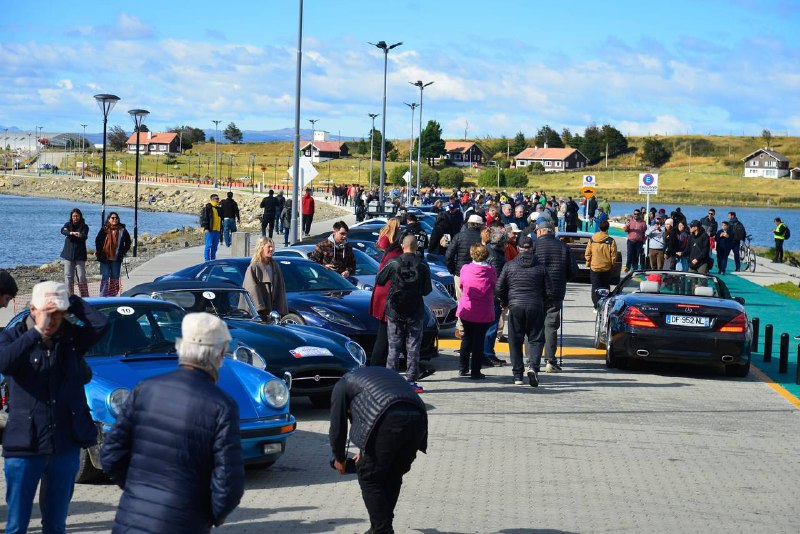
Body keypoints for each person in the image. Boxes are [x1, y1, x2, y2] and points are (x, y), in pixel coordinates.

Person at [101, 312, 245, 533]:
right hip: (184, 522)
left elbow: (111, 453)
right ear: (220, 353)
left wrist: (136, 489)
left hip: (131, 518)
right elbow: (228, 481)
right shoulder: (221, 405)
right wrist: (209, 516)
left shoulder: (145, 389)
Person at [0, 281, 108, 534]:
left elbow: (101, 325)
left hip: (65, 443)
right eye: (47, 313)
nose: (53, 320)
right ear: (32, 309)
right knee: (16, 525)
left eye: (59, 314)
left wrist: (73, 301)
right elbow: (4, 363)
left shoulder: (71, 339)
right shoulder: (12, 337)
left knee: (56, 525)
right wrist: (37, 332)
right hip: (24, 444)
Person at [329, 366, 427, 534]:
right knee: (393, 473)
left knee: (369, 476)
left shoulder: (342, 385)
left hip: (388, 418)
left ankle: (382, 529)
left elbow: (338, 427)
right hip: (418, 417)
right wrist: (364, 452)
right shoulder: (376, 375)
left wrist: (339, 458)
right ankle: (379, 527)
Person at [375, 235, 432, 393]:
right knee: (413, 347)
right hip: (415, 311)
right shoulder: (422, 265)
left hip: (395, 311)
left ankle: (392, 382)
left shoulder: (393, 262)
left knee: (394, 347)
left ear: (402, 245)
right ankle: (411, 381)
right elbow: (427, 290)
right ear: (416, 247)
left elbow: (379, 280)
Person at [496, 235, 547, 386]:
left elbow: (499, 287)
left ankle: (518, 375)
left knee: (515, 340)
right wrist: (543, 302)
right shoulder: (541, 267)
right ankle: (533, 367)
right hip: (535, 305)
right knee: (536, 339)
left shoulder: (509, 265)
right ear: (532, 248)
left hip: (516, 305)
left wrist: (506, 301)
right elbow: (549, 289)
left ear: (518, 249)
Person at [529, 218, 576, 373]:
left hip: (535, 291)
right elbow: (573, 271)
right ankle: (550, 361)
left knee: (534, 325)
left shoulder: (534, 246)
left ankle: (531, 360)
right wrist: (563, 279)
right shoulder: (563, 247)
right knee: (551, 326)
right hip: (556, 291)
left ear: (541, 231)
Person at [457, 244, 497, 379]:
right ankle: (475, 371)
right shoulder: (491, 270)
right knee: (479, 341)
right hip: (484, 310)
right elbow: (494, 285)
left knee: (467, 338)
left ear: (472, 254)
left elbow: (462, 284)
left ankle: (463, 367)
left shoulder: (465, 268)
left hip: (468, 308)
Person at [369, 221, 404, 367]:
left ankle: (377, 365)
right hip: (389, 299)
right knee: (387, 336)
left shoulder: (390, 254)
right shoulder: (397, 256)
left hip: (383, 297)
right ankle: (377, 366)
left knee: (384, 334)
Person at [445, 214, 484, 338]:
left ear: (468, 224)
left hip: (460, 273)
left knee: (462, 301)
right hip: (478, 273)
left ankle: (461, 328)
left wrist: (453, 270)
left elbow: (448, 255)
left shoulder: (459, 236)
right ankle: (475, 327)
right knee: (478, 301)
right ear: (480, 225)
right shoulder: (482, 238)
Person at [243, 238, 289, 322]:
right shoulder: (254, 267)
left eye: (272, 247)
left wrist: (281, 310)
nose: (271, 249)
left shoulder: (275, 266)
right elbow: (251, 290)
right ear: (261, 248)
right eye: (269, 247)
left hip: (274, 314)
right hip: (257, 316)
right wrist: (262, 310)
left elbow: (281, 290)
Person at [482, 227, 507, 366]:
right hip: (492, 297)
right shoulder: (497, 257)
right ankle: (488, 354)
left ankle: (485, 353)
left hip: (484, 294)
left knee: (486, 327)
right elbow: (498, 281)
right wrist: (501, 298)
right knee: (491, 327)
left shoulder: (487, 250)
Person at [95, 212, 132, 297]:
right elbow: (98, 241)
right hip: (105, 257)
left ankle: (113, 295)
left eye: (116, 218)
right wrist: (99, 252)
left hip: (116, 258)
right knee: (105, 276)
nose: (115, 219)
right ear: (109, 219)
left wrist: (123, 251)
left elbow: (128, 242)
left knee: (115, 277)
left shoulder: (122, 230)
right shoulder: (104, 229)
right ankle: (103, 296)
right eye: (112, 218)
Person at [585, 219, 618, 308]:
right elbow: (613, 255)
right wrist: (612, 264)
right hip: (606, 267)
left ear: (599, 228)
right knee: (605, 286)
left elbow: (588, 253)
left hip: (595, 267)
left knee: (595, 286)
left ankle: (596, 304)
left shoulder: (592, 239)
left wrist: (588, 263)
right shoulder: (611, 241)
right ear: (608, 228)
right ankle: (604, 304)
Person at [60, 208, 90, 297]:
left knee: (81, 276)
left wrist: (80, 235)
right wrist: (71, 233)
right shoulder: (68, 225)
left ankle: (85, 297)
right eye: (74, 216)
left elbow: (84, 236)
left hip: (80, 255)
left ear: (80, 216)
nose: (75, 218)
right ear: (71, 217)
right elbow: (63, 231)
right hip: (68, 255)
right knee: (68, 276)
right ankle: (70, 296)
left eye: (77, 216)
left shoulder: (85, 226)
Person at [200, 193, 222, 261]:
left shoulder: (218, 209)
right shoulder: (208, 207)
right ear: (212, 199)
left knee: (214, 247)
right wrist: (206, 228)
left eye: (218, 199)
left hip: (217, 230)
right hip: (210, 230)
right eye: (216, 199)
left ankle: (213, 260)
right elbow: (204, 218)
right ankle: (207, 260)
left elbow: (220, 220)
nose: (218, 200)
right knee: (208, 246)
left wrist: (221, 230)